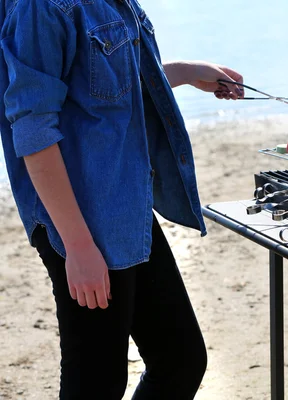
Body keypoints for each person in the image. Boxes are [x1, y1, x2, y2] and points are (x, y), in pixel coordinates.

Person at [0, 0, 244, 398]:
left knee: (180, 359)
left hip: (126, 204)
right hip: (77, 222)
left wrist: (186, 73)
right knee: (97, 383)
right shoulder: (40, 6)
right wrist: (78, 246)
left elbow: (104, 84)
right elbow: (32, 129)